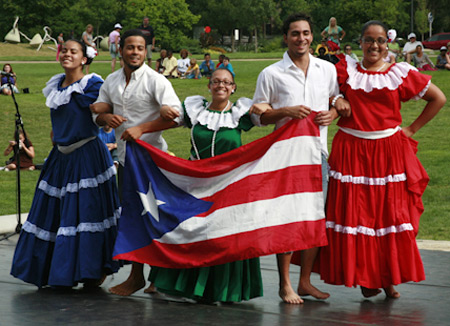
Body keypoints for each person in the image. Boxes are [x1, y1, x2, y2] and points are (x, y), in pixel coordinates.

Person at [318, 20, 446, 299]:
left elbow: (438, 98)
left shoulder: (400, 72)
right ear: (361, 42)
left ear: (387, 43)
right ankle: (365, 277)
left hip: (387, 154)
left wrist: (410, 130)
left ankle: (388, 277)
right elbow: (324, 89)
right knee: (357, 216)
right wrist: (336, 99)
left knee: (387, 216)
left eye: (379, 40)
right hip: (351, 152)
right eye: (368, 40)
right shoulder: (345, 69)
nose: (374, 45)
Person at [120, 68, 265, 303]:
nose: (221, 86)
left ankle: (222, 288)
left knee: (223, 234)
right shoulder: (196, 109)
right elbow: (169, 122)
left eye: (226, 82)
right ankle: (173, 281)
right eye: (216, 81)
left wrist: (283, 112)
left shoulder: (241, 112)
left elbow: (268, 119)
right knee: (188, 228)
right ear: (208, 85)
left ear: (233, 87)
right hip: (195, 181)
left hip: (228, 184)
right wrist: (141, 129)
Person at [252, 12, 347, 304]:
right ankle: (285, 284)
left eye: (306, 33)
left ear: (312, 36)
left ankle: (305, 281)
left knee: (314, 218)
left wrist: (334, 109)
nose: (301, 38)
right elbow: (258, 116)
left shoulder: (326, 69)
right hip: (286, 157)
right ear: (285, 37)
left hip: (318, 154)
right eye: (295, 33)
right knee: (288, 220)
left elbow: (335, 98)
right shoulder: (271, 73)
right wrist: (286, 111)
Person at [10, 39, 121, 288]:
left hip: (87, 157)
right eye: (65, 51)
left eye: (74, 51)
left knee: (86, 214)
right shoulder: (56, 85)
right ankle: (55, 271)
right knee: (56, 215)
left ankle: (91, 270)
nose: (67, 54)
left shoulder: (93, 84)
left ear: (84, 58)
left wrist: (106, 120)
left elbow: (100, 115)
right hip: (60, 158)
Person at [90, 29, 181, 297]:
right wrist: (104, 119)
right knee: (133, 216)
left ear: (146, 51)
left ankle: (159, 277)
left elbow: (177, 117)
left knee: (157, 217)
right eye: (130, 47)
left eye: (140, 48)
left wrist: (143, 128)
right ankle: (137, 276)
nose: (135, 52)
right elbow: (100, 111)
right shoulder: (112, 80)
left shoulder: (156, 81)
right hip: (127, 163)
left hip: (153, 162)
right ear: (121, 50)